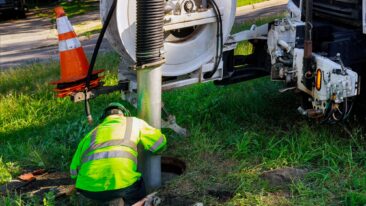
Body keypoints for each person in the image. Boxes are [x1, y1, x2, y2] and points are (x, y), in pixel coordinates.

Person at [70, 102, 167, 206]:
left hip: (87, 189)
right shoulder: (134, 122)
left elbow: (73, 171)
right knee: (137, 188)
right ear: (124, 114)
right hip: (122, 185)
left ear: (104, 118)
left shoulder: (90, 134)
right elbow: (160, 143)